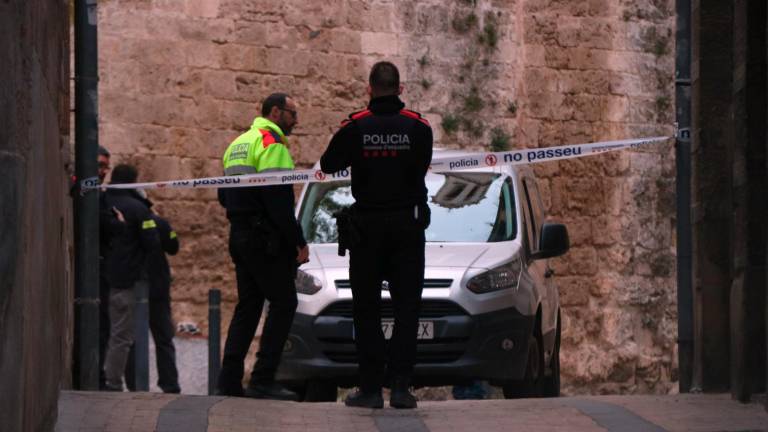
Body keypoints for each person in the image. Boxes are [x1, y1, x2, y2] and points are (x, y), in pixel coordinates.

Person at [320, 61, 433, 409]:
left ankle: (370, 389)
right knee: (407, 308)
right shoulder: (419, 127)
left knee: (366, 309)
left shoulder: (355, 127)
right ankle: (400, 387)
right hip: (407, 227)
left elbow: (327, 164)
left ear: (369, 89)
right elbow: (422, 165)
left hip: (367, 229)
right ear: (400, 89)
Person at [216, 92, 309, 400]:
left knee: (249, 306)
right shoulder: (273, 145)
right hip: (264, 238)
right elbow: (279, 202)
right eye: (291, 112)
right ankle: (262, 379)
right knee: (284, 303)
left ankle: (228, 381)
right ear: (274, 112)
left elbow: (222, 195)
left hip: (239, 235)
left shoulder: (237, 144)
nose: (295, 119)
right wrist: (298, 241)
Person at [102, 164, 161, 391]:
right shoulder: (138, 209)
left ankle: (108, 378)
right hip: (125, 281)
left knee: (111, 332)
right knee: (122, 335)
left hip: (101, 277)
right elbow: (152, 242)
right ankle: (113, 382)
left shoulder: (102, 202)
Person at [125, 207, 181, 394]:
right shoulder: (158, 221)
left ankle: (134, 385)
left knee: (131, 337)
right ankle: (169, 384)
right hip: (157, 286)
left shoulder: (124, 218)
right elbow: (174, 246)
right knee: (164, 338)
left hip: (133, 285)